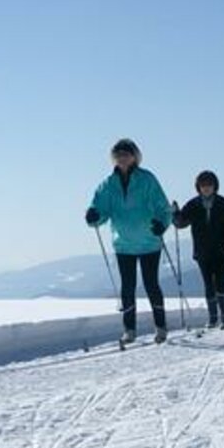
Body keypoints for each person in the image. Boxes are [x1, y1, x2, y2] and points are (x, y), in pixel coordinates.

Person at [84, 138, 173, 345]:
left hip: (149, 241)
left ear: (135, 156)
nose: (122, 158)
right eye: (118, 155)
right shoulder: (107, 185)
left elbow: (162, 206)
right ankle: (129, 330)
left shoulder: (147, 179)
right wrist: (93, 216)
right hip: (123, 244)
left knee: (152, 285)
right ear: (113, 159)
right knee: (127, 287)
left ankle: (160, 327)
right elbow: (101, 211)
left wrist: (162, 223)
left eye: (126, 154)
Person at [173, 170, 224, 328]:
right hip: (202, 251)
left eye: (209, 185)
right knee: (208, 284)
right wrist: (175, 214)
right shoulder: (193, 204)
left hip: (222, 251)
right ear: (198, 187)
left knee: (220, 281)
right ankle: (212, 318)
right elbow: (181, 223)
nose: (206, 188)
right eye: (203, 185)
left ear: (215, 186)